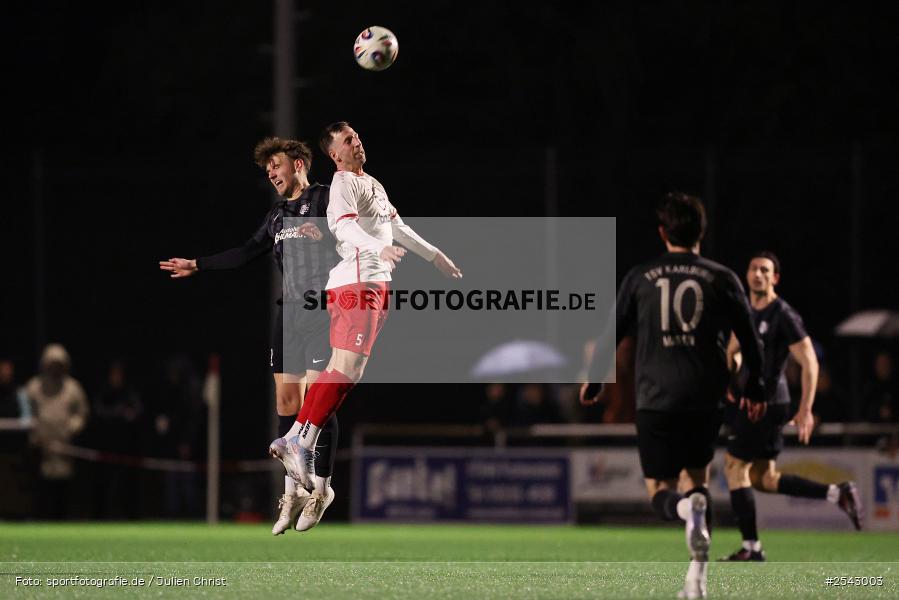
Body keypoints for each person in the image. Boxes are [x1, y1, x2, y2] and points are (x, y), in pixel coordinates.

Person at [270, 121, 462, 530]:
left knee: (341, 369)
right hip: (360, 279)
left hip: (367, 281)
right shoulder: (342, 182)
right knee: (347, 370)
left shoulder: (372, 182)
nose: (357, 141)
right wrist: (379, 246)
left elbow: (398, 225)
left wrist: (434, 257)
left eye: (356, 135)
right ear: (335, 154)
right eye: (348, 140)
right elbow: (343, 226)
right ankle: (298, 442)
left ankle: (298, 444)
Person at [580, 192, 766, 599]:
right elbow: (752, 341)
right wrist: (755, 387)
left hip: (655, 397)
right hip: (705, 396)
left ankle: (684, 511)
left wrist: (595, 381)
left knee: (659, 490)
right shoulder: (721, 277)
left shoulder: (640, 276)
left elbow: (613, 332)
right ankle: (695, 582)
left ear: (663, 232)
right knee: (696, 479)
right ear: (702, 232)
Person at [159, 137, 341, 534]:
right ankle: (292, 491)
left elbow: (356, 233)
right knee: (287, 401)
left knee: (317, 400)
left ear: (297, 163)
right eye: (266, 171)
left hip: (323, 310)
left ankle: (320, 490)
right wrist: (197, 264)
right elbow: (246, 251)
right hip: (288, 313)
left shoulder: (327, 198)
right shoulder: (277, 216)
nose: (271, 173)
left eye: (275, 165)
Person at [720, 252, 863, 561]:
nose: (758, 274)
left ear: (775, 278)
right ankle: (838, 493)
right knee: (763, 478)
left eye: (765, 270)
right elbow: (732, 350)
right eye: (753, 268)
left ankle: (751, 548)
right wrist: (732, 378)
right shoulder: (745, 309)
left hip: (767, 403)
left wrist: (806, 408)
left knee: (734, 466)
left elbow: (809, 360)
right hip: (758, 401)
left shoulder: (782, 313)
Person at [26, 343, 90, 519]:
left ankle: (63, 519)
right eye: (51, 364)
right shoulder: (34, 387)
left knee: (63, 490)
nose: (54, 368)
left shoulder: (73, 388)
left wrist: (72, 428)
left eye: (58, 364)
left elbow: (82, 413)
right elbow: (26, 413)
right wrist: (34, 434)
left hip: (65, 448)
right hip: (41, 448)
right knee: (40, 490)